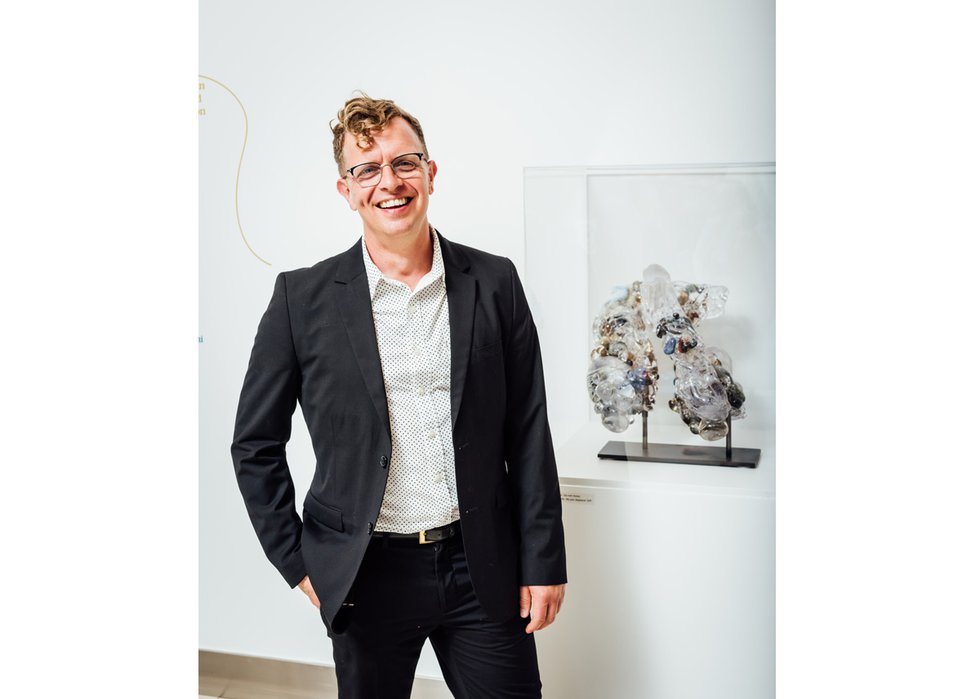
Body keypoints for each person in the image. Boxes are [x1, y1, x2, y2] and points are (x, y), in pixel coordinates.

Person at [231, 94, 566, 699]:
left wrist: (543, 560)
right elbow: (255, 444)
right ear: (346, 190)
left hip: (481, 563)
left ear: (431, 173)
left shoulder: (495, 282)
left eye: (404, 162)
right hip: (365, 573)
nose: (390, 182)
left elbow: (528, 429)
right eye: (367, 169)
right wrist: (298, 562)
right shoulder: (299, 301)